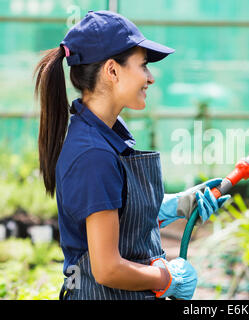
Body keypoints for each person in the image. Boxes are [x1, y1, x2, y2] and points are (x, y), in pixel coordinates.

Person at [33, 10, 230, 300]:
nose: (150, 78)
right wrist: (167, 278)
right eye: (144, 66)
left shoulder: (106, 135)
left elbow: (116, 210)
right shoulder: (93, 154)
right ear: (112, 70)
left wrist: (173, 205)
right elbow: (107, 270)